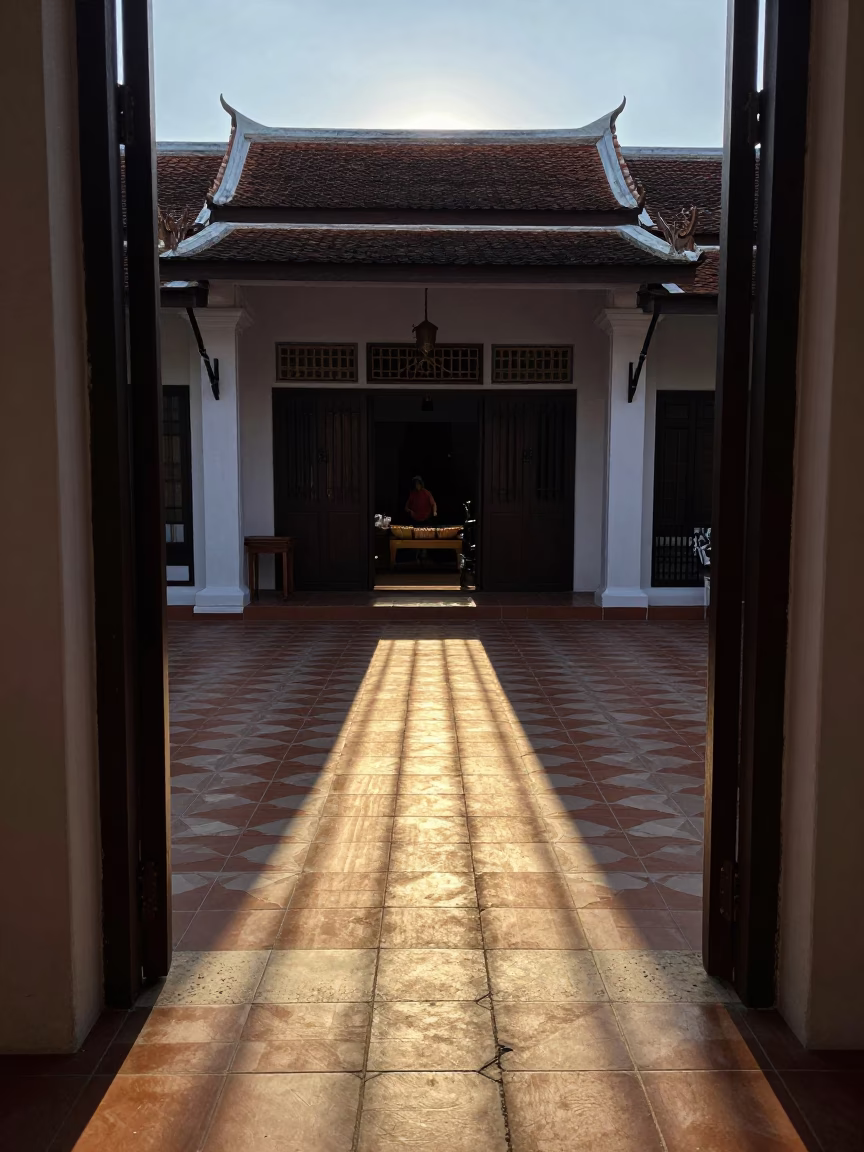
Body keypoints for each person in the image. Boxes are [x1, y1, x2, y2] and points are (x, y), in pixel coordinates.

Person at [404, 475, 437, 566]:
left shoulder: (426, 493)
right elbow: (406, 507)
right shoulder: (413, 493)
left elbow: (433, 504)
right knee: (416, 538)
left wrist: (434, 512)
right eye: (415, 484)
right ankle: (417, 557)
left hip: (425, 519)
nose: (417, 486)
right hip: (416, 519)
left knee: (426, 537)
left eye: (418, 484)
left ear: (421, 484)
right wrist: (410, 511)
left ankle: (425, 555)